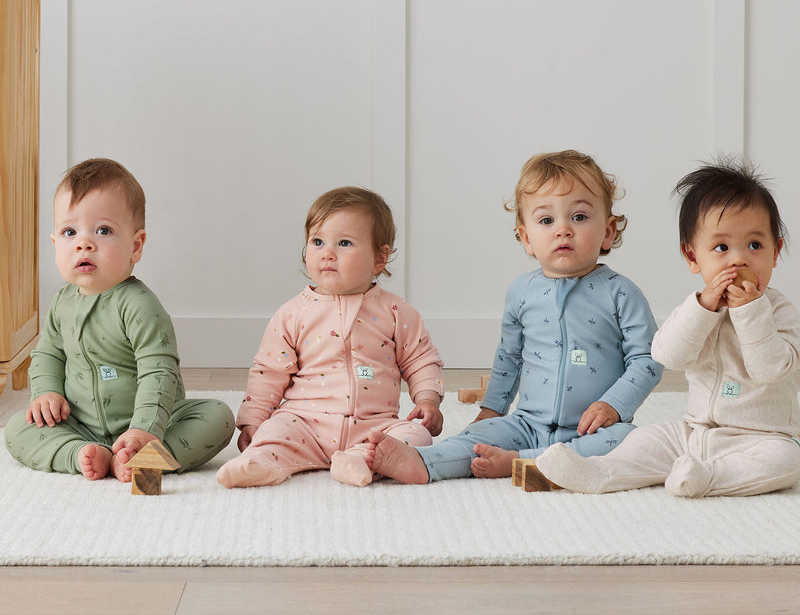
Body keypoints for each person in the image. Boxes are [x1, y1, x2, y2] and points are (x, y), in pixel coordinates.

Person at [366, 150, 662, 485]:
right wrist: (492, 410)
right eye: (547, 221)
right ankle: (425, 461)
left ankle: (522, 463)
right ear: (526, 238)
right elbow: (510, 356)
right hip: (527, 422)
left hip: (594, 427)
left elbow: (648, 359)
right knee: (476, 437)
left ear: (608, 232)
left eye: (579, 217)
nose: (563, 229)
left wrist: (614, 406)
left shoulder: (621, 292)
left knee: (629, 441)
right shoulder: (522, 292)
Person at [535, 157, 800, 498]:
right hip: (694, 431)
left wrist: (750, 312)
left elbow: (769, 370)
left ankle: (710, 478)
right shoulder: (698, 307)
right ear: (692, 257)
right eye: (721, 247)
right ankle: (602, 472)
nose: (738, 260)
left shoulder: (779, 311)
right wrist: (703, 308)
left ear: (775, 252)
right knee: (645, 439)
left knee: (787, 460)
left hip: (763, 437)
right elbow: (667, 354)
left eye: (755, 245)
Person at [4, 158, 234, 482]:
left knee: (219, 417)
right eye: (70, 232)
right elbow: (48, 355)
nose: (84, 242)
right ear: (55, 243)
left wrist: (144, 429)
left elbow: (159, 370)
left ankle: (144, 453)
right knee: (16, 430)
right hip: (81, 424)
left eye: (103, 230)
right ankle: (81, 454)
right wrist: (47, 393)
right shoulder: (61, 302)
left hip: (151, 423)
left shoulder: (138, 305)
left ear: (135, 246)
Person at [216, 186, 444, 488]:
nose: (327, 253)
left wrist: (428, 399)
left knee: (418, 438)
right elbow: (267, 372)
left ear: (380, 257)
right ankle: (261, 462)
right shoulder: (293, 313)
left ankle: (361, 458)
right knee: (274, 431)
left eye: (344, 243)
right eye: (318, 241)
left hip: (374, 424)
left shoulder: (396, 311)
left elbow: (421, 359)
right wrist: (253, 421)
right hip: (304, 424)